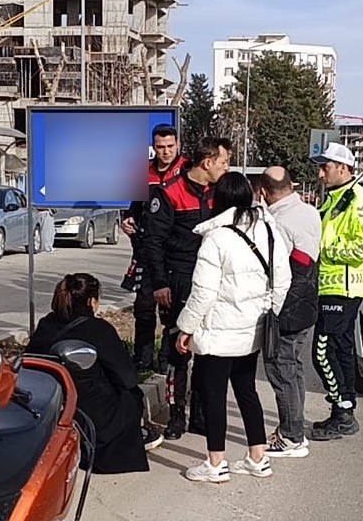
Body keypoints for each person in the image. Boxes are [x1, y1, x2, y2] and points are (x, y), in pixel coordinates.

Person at [174, 172, 290, 483]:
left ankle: (215, 464)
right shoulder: (269, 230)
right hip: (252, 330)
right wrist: (267, 311)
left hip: (219, 333)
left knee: (214, 394)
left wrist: (185, 328)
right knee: (246, 389)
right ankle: (257, 458)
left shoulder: (216, 238)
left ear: (218, 200)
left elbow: (203, 293)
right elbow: (283, 279)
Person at [140, 135, 232, 440]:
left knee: (207, 351)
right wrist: (159, 283)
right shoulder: (170, 192)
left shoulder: (220, 191)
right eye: (223, 162)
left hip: (212, 281)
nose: (226, 167)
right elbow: (153, 242)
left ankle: (200, 416)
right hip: (178, 280)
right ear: (207, 163)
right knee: (178, 354)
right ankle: (176, 416)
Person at [26, 274, 162, 475]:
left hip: (51, 400)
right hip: (91, 409)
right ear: (91, 301)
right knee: (132, 396)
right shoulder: (99, 329)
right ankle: (131, 438)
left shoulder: (47, 324)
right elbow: (127, 377)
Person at [308, 143, 363, 441]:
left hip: (343, 289)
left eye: (325, 167)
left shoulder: (357, 200)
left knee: (322, 353)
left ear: (343, 168)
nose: (320, 173)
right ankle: (343, 411)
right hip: (329, 288)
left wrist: (327, 250)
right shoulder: (333, 199)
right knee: (340, 351)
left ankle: (343, 412)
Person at [255, 166, 322, 458]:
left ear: (263, 192)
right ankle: (294, 431)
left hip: (285, 307)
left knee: (281, 370)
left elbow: (275, 270)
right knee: (293, 369)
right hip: (307, 302)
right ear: (291, 185)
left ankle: (291, 436)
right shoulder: (310, 212)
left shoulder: (276, 223)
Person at [122, 124, 187, 372]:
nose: (166, 152)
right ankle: (143, 359)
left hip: (175, 252)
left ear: (178, 145)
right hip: (147, 250)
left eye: (170, 146)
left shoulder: (187, 170)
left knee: (172, 310)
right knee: (144, 308)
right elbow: (134, 207)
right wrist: (128, 220)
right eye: (160, 147)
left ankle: (167, 359)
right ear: (153, 147)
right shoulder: (144, 172)